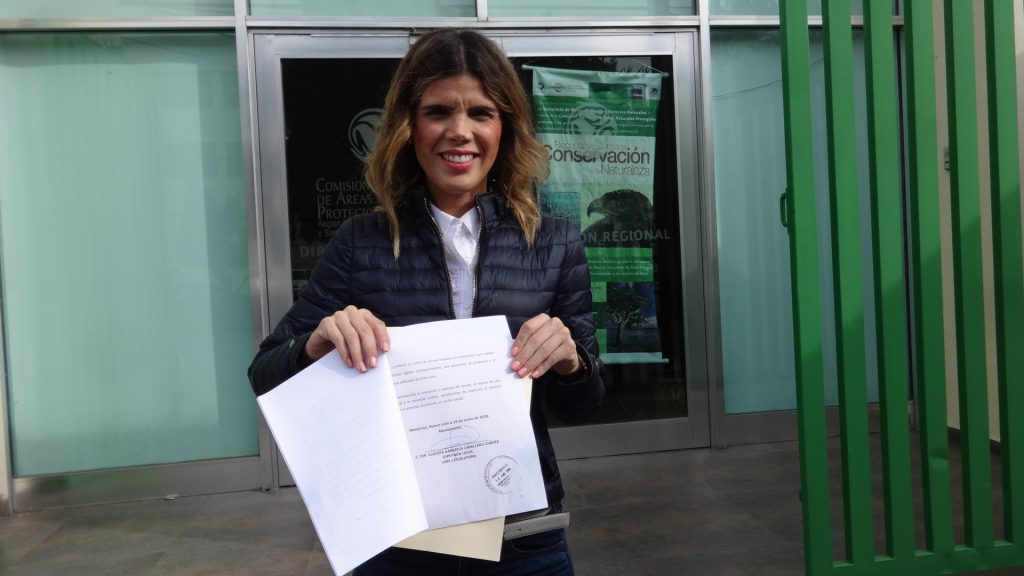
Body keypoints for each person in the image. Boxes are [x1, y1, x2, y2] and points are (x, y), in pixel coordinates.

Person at [249, 28, 604, 575]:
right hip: (399, 542)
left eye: (481, 113)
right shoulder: (361, 243)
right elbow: (265, 375)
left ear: (505, 129)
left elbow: (583, 406)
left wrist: (571, 362)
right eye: (438, 111)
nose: (460, 131)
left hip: (522, 539)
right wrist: (315, 345)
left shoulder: (553, 243)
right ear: (407, 127)